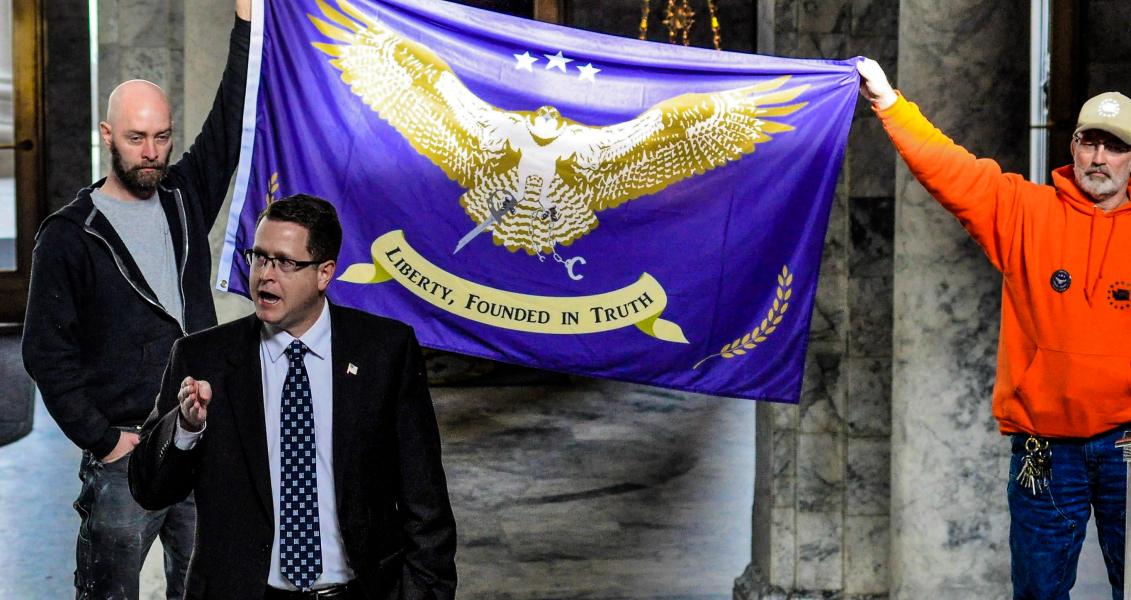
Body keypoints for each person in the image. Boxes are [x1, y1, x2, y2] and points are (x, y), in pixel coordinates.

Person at [858, 59, 1131, 598]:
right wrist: (890, 102)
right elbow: (951, 169)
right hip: (1046, 452)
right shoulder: (1024, 210)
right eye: (1089, 142)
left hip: (1127, 447)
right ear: (1073, 147)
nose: (1099, 158)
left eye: (1115, 146)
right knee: (1037, 593)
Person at [20, 1, 251, 598]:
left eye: (162, 137)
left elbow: (229, 123)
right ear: (108, 137)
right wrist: (103, 439)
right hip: (124, 453)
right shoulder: (70, 236)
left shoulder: (183, 198)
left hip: (196, 435)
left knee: (205, 587)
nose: (151, 151)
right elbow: (44, 352)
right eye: (136, 138)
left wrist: (246, 25)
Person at [128, 195, 458, 600]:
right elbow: (148, 489)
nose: (265, 276)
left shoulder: (385, 352)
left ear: (324, 273)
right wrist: (185, 427)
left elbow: (425, 502)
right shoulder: (202, 359)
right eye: (259, 257)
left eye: (285, 262)